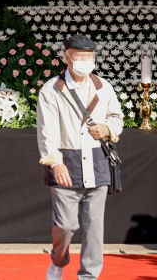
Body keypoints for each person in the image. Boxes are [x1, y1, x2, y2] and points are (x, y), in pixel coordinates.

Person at [37, 35, 123, 280]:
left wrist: (107, 129)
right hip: (67, 164)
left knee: (94, 228)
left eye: (89, 57)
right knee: (65, 225)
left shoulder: (103, 87)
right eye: (79, 56)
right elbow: (47, 131)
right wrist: (55, 162)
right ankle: (58, 261)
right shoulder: (51, 89)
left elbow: (117, 118)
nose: (85, 61)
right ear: (67, 57)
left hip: (98, 164)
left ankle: (88, 276)